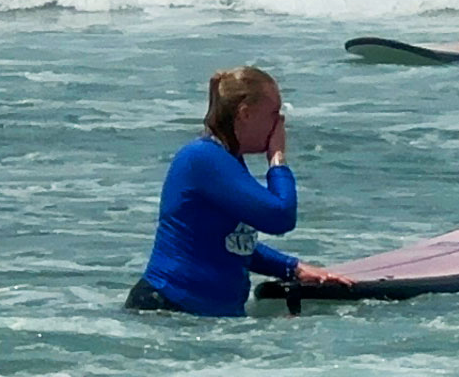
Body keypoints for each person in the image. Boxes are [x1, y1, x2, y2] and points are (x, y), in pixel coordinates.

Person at [128, 66, 340, 317]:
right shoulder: (203, 158)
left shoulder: (227, 159)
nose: (280, 123)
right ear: (245, 114)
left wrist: (293, 268)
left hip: (197, 316)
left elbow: (231, 243)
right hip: (166, 309)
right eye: (274, 113)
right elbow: (281, 216)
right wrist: (277, 158)